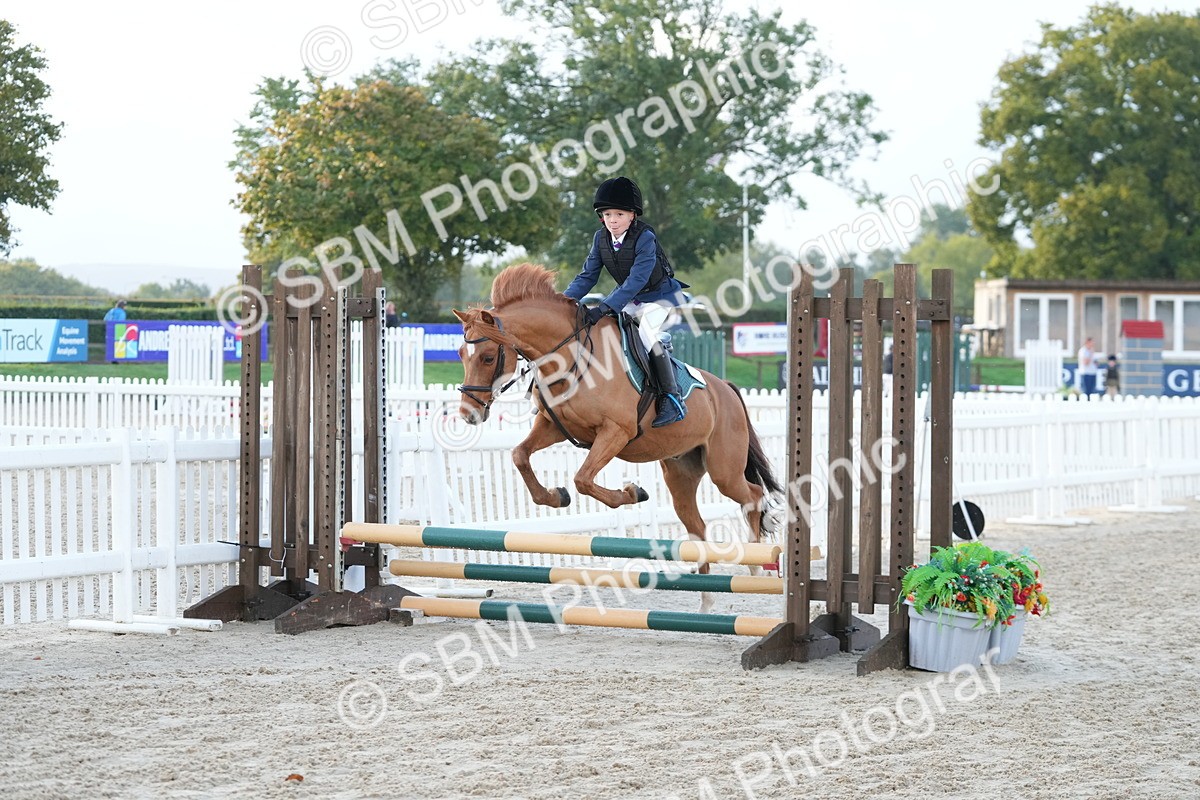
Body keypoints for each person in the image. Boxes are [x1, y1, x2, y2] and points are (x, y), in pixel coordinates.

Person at [562, 176, 691, 427]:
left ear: (632, 215)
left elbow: (636, 279)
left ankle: (671, 397)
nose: (612, 220)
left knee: (646, 333)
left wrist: (605, 307)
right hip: (633, 298)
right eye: (607, 214)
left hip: (660, 297)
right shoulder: (600, 239)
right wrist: (562, 301)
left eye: (619, 214)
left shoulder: (645, 238)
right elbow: (587, 276)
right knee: (605, 332)